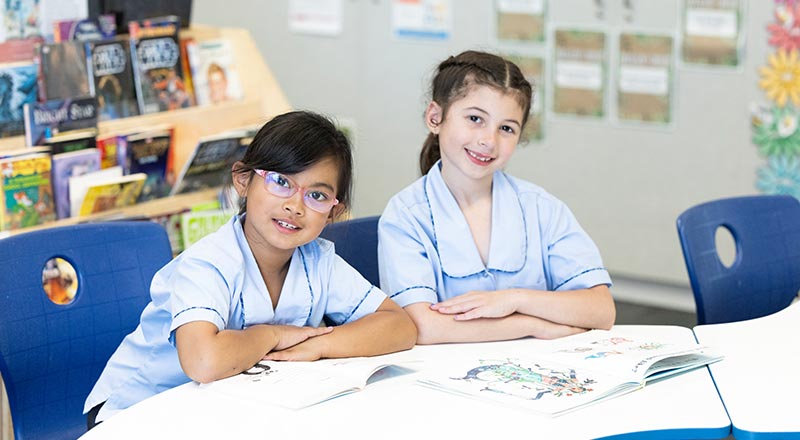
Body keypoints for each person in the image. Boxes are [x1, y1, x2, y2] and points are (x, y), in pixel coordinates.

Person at [85, 110, 417, 427]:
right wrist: (272, 334)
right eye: (280, 182)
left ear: (334, 212)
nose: (294, 205)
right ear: (243, 181)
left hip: (228, 406)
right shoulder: (208, 262)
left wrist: (319, 345)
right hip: (139, 409)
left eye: (316, 195)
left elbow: (398, 325)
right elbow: (204, 361)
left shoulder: (319, 260)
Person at [378, 50, 615, 345]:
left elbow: (601, 310)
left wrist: (514, 299)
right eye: (475, 118)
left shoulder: (541, 208)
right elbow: (422, 326)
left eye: (506, 128)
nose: (489, 141)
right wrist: (532, 325)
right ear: (435, 117)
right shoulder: (405, 216)